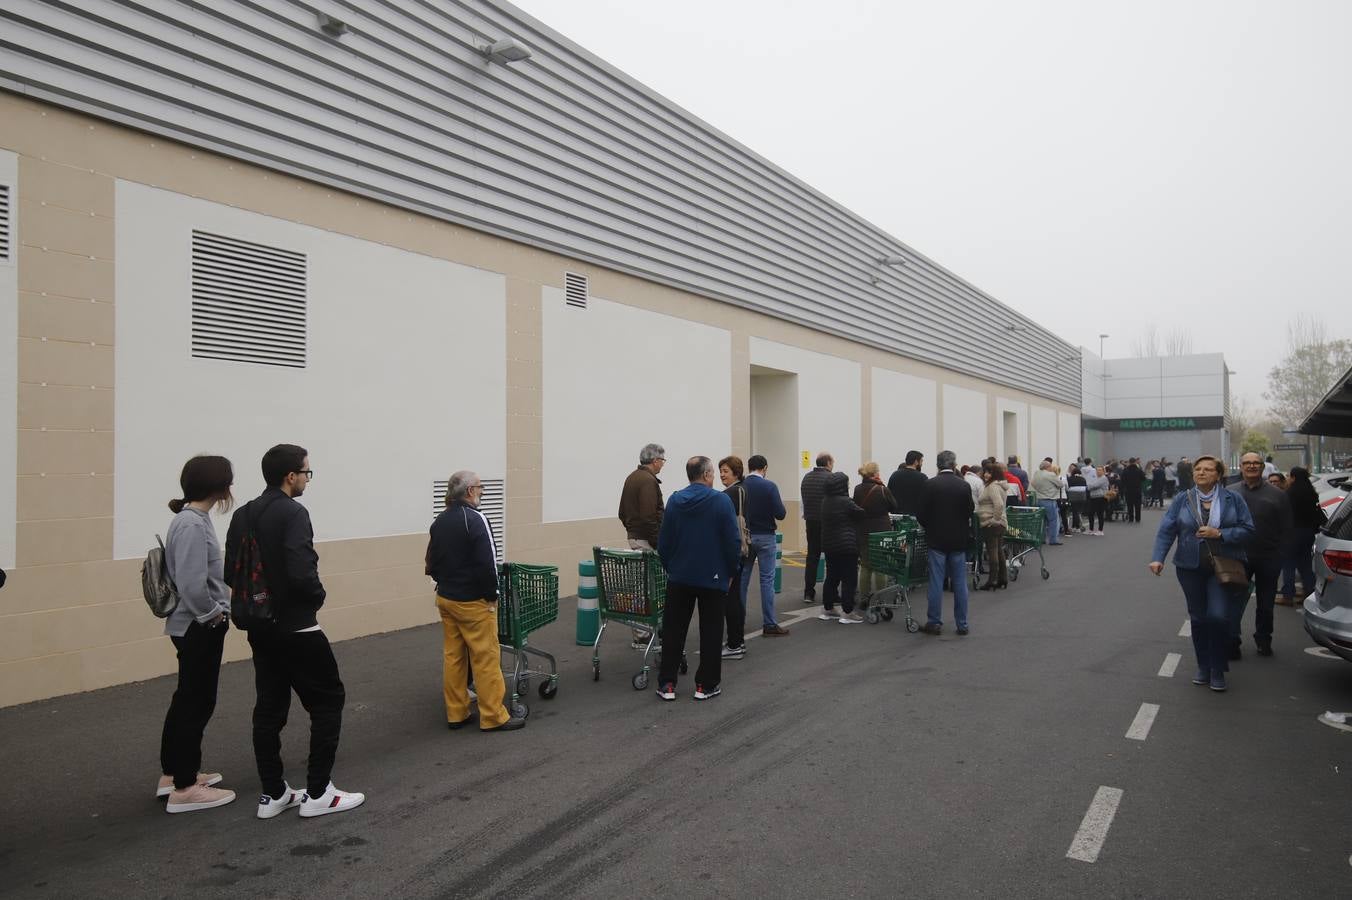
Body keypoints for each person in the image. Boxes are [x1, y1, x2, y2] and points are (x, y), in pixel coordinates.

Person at [225, 444, 365, 819]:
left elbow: (229, 572)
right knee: (327, 701)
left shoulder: (242, 515)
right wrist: (315, 598)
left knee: (269, 709)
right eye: (306, 472)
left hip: (260, 627)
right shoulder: (294, 513)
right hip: (298, 626)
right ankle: (319, 792)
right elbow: (302, 570)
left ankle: (274, 793)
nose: (307, 478)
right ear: (291, 476)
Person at [159, 455, 236, 814]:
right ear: (219, 486)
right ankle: (185, 787)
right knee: (197, 700)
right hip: (197, 624)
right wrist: (213, 615)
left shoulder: (190, 519)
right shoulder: (192, 523)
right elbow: (192, 582)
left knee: (187, 697)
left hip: (191, 624)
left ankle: (175, 774)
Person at [426, 470, 525, 732]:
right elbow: (487, 563)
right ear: (470, 491)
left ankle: (456, 712)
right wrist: (491, 596)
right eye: (480, 488)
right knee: (486, 657)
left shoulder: (440, 521)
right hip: (473, 602)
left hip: (446, 598)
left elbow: (431, 562)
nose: (481, 492)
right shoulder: (476, 519)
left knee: (454, 657)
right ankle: (493, 716)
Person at [1149, 455, 1254, 692]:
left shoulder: (1233, 499)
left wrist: (1221, 534)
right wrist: (1158, 558)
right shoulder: (1182, 499)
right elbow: (1167, 530)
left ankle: (1218, 668)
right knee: (1197, 618)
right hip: (1189, 567)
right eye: (1198, 469)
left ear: (1218, 474)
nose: (1202, 473)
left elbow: (1248, 529)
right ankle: (1203, 666)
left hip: (1223, 566)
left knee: (1217, 617)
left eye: (1208, 469)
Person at [654, 456, 741, 701]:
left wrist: (672, 567)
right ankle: (706, 685)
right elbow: (732, 541)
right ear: (705, 475)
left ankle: (667, 684)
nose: (714, 477)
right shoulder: (721, 501)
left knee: (673, 631)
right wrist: (731, 571)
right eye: (713, 473)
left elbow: (665, 542)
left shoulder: (674, 500)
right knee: (711, 632)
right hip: (712, 578)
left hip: (680, 577)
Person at [1230, 452, 1292, 658]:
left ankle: (1264, 640)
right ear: (1241, 466)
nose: (1251, 466)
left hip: (1269, 558)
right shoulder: (1230, 493)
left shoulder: (1278, 495)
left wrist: (1280, 554)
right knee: (1235, 603)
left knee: (1265, 605)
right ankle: (1232, 642)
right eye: (1247, 463)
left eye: (1256, 463)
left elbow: (1287, 528)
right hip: (1239, 558)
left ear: (1262, 467)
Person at [916, 450, 975, 636]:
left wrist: (930, 527)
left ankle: (934, 622)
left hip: (937, 539)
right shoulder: (963, 486)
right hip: (958, 539)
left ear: (938, 465)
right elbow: (969, 511)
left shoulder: (930, 485)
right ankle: (962, 623)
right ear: (954, 464)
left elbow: (922, 514)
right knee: (959, 582)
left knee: (935, 581)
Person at [619, 443, 666, 646]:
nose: (663, 465)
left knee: (642, 585)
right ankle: (643, 633)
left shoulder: (632, 477)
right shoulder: (648, 481)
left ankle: (643, 631)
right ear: (655, 460)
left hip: (636, 537)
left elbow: (622, 512)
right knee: (648, 587)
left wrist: (631, 530)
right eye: (663, 461)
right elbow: (649, 516)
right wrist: (658, 543)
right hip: (646, 540)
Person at [740, 455, 789, 636]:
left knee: (742, 580)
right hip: (766, 536)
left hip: (745, 537)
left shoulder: (741, 486)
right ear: (765, 468)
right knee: (767, 581)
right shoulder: (769, 486)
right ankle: (769, 624)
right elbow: (780, 514)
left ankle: (738, 621)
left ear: (749, 467)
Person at [817, 472, 868, 623]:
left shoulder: (825, 501)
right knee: (849, 579)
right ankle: (847, 612)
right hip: (847, 546)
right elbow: (861, 513)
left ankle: (828, 609)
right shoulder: (846, 501)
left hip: (830, 545)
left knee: (832, 577)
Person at [718, 456, 751, 658]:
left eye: (726, 471)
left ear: (736, 473)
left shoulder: (732, 492)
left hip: (732, 551)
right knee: (735, 596)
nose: (722, 474)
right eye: (720, 470)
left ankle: (734, 644)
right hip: (739, 550)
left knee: (730, 598)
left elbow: (731, 522)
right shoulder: (741, 489)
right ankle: (737, 641)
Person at [853, 462, 897, 606]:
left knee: (865, 566)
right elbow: (894, 506)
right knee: (880, 566)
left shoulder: (857, 489)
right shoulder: (882, 489)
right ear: (876, 473)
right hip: (881, 531)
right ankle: (880, 598)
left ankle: (864, 598)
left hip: (863, 531)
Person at [1278, 467, 1322, 607]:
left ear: (1294, 477)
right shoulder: (1311, 493)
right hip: (1308, 532)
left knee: (1288, 564)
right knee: (1305, 564)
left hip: (1292, 532)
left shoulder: (1289, 493)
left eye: (1290, 477)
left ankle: (1288, 595)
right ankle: (1309, 593)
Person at [799, 453, 834, 605]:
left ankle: (809, 592)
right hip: (828, 523)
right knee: (832, 558)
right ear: (828, 463)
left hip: (811, 521)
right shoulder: (831, 478)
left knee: (812, 557)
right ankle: (831, 593)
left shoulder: (806, 477)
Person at [977, 462, 1009, 590]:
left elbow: (999, 504)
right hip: (1000, 523)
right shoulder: (999, 485)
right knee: (999, 550)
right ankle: (1002, 578)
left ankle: (992, 580)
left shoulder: (992, 487)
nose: (985, 474)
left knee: (992, 551)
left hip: (992, 523)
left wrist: (994, 519)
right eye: (985, 472)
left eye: (989, 472)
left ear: (994, 474)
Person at [1031, 460, 1062, 545]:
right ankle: (1053, 540)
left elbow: (1032, 483)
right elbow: (1060, 484)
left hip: (1039, 499)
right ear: (1047, 467)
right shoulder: (1051, 474)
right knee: (1053, 520)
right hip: (1049, 499)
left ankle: (1042, 539)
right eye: (1051, 466)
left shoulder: (1036, 473)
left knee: (1042, 521)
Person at [888, 450, 927, 517]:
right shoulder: (922, 478)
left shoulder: (895, 475)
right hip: (915, 517)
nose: (922, 464)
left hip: (896, 516)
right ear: (916, 462)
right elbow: (926, 499)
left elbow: (888, 495)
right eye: (921, 461)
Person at [1084, 464, 1109, 535]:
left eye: (1100, 470)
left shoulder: (1104, 478)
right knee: (1090, 513)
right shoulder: (1095, 478)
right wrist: (1090, 485)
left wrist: (1089, 486)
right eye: (1097, 470)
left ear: (1103, 471)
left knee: (1100, 514)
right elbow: (1091, 484)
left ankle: (1100, 530)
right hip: (1093, 497)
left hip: (1101, 498)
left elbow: (1095, 485)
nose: (1098, 471)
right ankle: (1091, 529)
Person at [1119, 457, 1145, 523]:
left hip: (1128, 490)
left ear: (1129, 462)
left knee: (1129, 505)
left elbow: (1122, 481)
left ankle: (1131, 518)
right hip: (1137, 490)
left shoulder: (1125, 470)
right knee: (1137, 505)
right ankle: (1138, 518)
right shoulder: (1139, 470)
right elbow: (1143, 478)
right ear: (1135, 462)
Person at [1066, 464, 1088, 533]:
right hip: (1082, 496)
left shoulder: (1070, 479)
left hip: (1073, 497)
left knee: (1074, 512)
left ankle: (1077, 527)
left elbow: (1067, 487)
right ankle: (1074, 526)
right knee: (1078, 512)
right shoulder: (1083, 479)